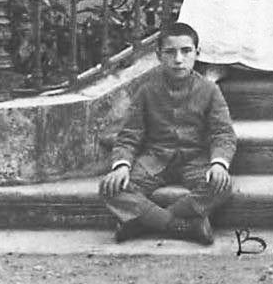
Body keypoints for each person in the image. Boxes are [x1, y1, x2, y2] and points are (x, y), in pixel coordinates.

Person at [99, 22, 235, 245]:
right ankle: (183, 226)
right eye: (170, 52)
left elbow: (223, 133)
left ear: (197, 53)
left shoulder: (210, 90)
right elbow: (129, 135)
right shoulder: (147, 90)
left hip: (194, 160)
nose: (178, 59)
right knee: (111, 188)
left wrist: (219, 164)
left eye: (186, 51)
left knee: (221, 186)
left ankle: (143, 222)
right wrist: (121, 166)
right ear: (158, 55)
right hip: (155, 159)